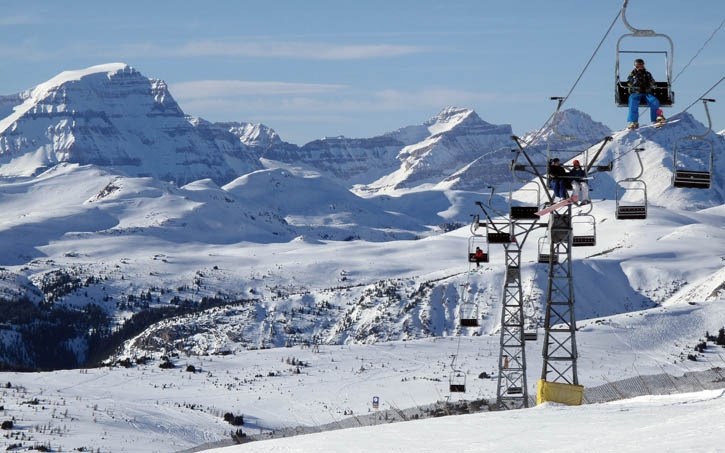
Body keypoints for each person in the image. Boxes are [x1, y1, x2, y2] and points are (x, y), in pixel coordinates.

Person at [626, 58, 665, 129]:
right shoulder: (632, 74)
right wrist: (635, 82)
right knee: (632, 101)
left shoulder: (647, 74)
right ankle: (633, 121)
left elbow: (652, 82)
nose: (640, 67)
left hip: (646, 93)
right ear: (635, 66)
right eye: (638, 66)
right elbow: (629, 82)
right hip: (636, 92)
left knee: (654, 101)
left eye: (641, 65)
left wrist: (652, 84)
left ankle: (656, 118)